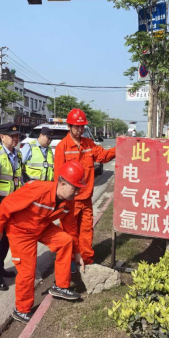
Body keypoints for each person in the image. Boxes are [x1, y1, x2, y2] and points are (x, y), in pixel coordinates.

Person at [0, 160, 87, 324]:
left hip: (41, 226)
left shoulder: (68, 201)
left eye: (79, 188)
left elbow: (71, 227)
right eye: (75, 188)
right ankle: (21, 311)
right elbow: (7, 204)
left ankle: (61, 286)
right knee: (27, 272)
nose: (77, 192)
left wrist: (77, 252)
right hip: (21, 231)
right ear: (63, 183)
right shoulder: (39, 189)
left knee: (65, 241)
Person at [54, 109, 116, 266]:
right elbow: (58, 177)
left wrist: (120, 148)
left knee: (87, 231)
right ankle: (70, 262)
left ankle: (87, 260)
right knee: (70, 233)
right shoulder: (62, 147)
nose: (79, 130)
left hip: (86, 198)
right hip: (70, 201)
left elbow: (103, 156)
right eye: (76, 126)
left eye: (82, 126)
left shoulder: (88, 144)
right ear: (69, 126)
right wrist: (59, 201)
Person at [0, 123, 24, 291]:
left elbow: (19, 179)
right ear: (2, 137)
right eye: (11, 136)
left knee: (8, 238)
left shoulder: (18, 154)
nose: (15, 139)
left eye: (17, 136)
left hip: (14, 203)